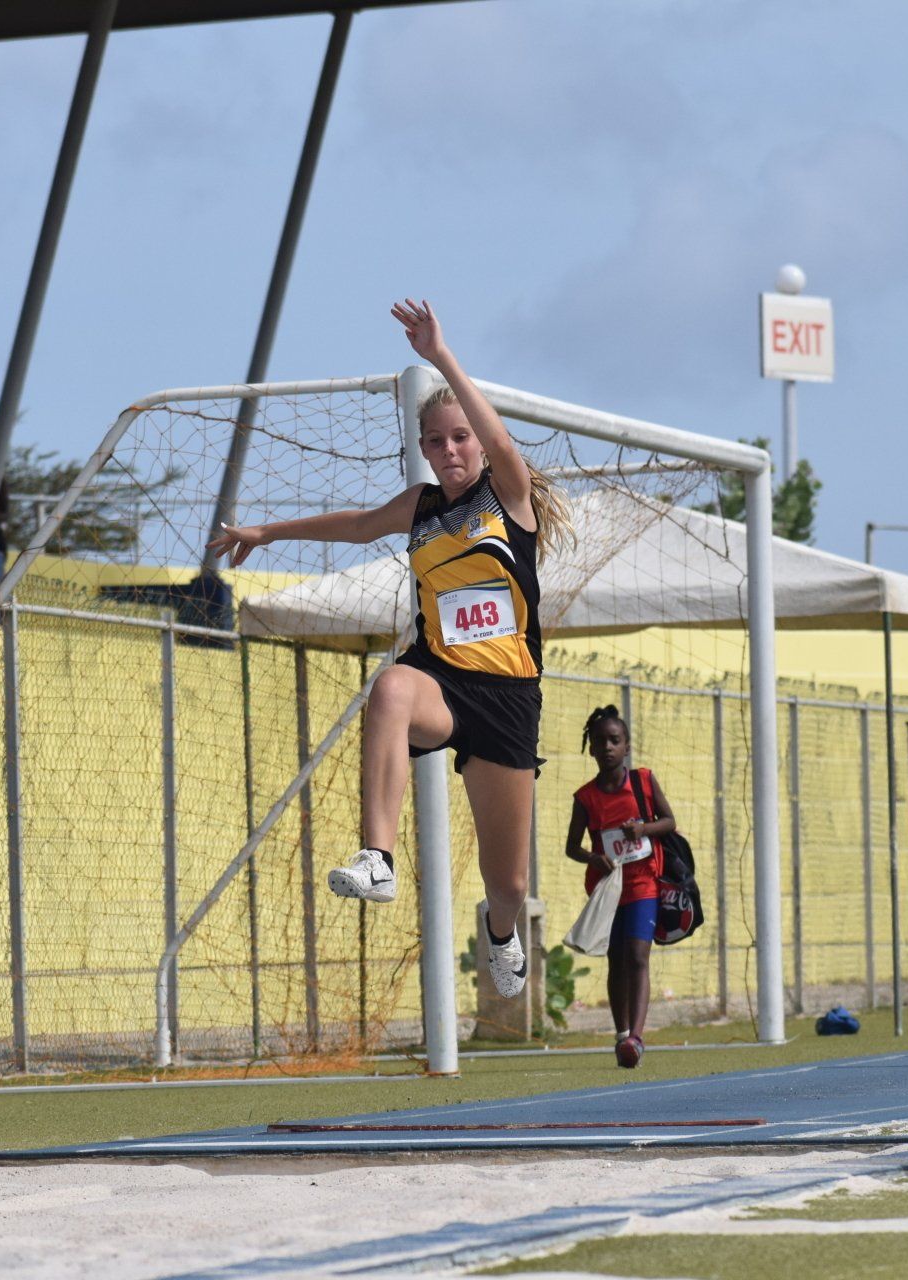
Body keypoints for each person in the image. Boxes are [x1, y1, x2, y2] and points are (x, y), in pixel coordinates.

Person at [208, 300, 571, 998]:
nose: (450, 450)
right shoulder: (421, 508)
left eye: (460, 437)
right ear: (425, 451)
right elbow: (356, 525)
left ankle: (501, 932)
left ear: (479, 442)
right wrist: (265, 533)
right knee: (392, 687)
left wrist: (440, 357)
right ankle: (377, 858)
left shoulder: (509, 496)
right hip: (441, 682)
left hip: (507, 698)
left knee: (509, 881)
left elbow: (499, 442)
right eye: (436, 442)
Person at [564, 705, 677, 1068]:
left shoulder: (643, 781)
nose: (608, 747)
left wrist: (643, 828)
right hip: (608, 889)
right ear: (591, 749)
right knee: (616, 959)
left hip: (644, 883)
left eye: (615, 740)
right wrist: (593, 858)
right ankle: (621, 1033)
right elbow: (572, 847)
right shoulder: (585, 797)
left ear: (627, 746)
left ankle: (636, 1039)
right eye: (600, 741)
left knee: (638, 956)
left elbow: (669, 821)